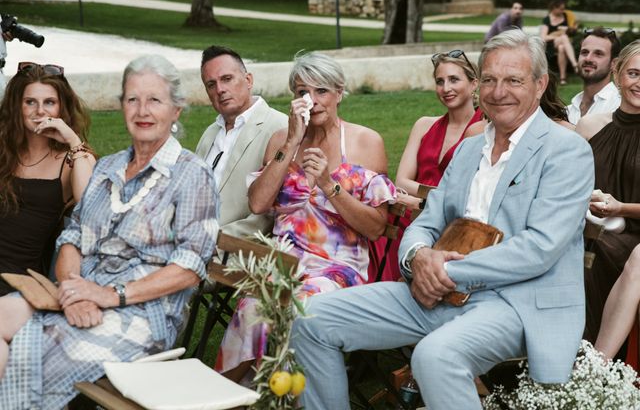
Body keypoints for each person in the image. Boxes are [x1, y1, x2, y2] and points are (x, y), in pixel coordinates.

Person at [291, 29, 594, 410]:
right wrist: (418, 256)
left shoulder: (567, 151)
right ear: (479, 84)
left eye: (514, 80)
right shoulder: (469, 150)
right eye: (489, 80)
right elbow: (426, 220)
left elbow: (539, 248)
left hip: (517, 303)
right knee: (311, 316)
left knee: (435, 357)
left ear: (540, 84)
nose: (499, 91)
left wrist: (444, 272)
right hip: (436, 292)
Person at [0, 55, 218, 409]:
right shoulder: (109, 167)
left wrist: (108, 295)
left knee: (39, 357)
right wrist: (73, 289)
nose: (142, 110)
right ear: (122, 106)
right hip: (78, 297)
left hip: (140, 315)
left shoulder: (192, 175)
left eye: (154, 100)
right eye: (133, 99)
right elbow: (72, 237)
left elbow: (190, 268)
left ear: (176, 110)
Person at [214, 52, 396, 381]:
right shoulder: (282, 141)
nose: (311, 100)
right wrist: (293, 139)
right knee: (254, 307)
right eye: (301, 92)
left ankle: (231, 392)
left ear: (339, 93)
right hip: (283, 264)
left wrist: (329, 185)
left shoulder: (365, 142)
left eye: (321, 91)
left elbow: (376, 227)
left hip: (337, 268)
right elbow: (258, 204)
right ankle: (249, 394)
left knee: (289, 310)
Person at [369, 50, 483, 282]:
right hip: (406, 214)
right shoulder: (424, 125)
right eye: (439, 82)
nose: (446, 88)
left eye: (454, 80)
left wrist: (419, 201)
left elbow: (468, 192)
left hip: (449, 221)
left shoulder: (483, 130)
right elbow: (401, 181)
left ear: (474, 84)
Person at [0, 62, 95, 297]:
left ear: (61, 108)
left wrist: (72, 140)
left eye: (49, 103)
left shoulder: (74, 159)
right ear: (17, 107)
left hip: (18, 282)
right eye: (30, 102)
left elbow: (90, 210)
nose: (39, 111)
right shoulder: (3, 150)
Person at [575, 39, 640, 344]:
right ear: (617, 72)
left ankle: (588, 360)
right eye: (634, 74)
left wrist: (620, 208)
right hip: (589, 227)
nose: (639, 83)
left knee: (592, 253)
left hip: (633, 238)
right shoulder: (589, 126)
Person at [195, 46, 287, 237]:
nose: (220, 89)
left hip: (236, 251)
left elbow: (270, 215)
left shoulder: (279, 128)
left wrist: (210, 242)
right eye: (211, 84)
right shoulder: (210, 134)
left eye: (227, 79)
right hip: (190, 241)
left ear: (248, 80)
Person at [567, 27, 621, 125]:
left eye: (598, 54)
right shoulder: (568, 111)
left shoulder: (619, 108)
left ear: (614, 64)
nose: (588, 58)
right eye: (584, 52)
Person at [540, 0, 579, 85]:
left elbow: (571, 29)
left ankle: (562, 78)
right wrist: (557, 34)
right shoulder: (547, 19)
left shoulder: (565, 16)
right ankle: (575, 64)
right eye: (561, 9)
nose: (563, 11)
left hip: (564, 45)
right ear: (554, 8)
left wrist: (570, 29)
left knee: (562, 48)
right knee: (563, 37)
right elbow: (543, 37)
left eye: (563, 9)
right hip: (551, 45)